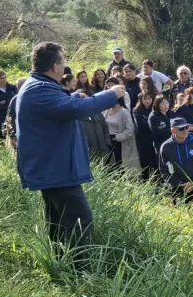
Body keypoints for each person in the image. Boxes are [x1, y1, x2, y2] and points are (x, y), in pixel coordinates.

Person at [15, 41, 125, 270]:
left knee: (57, 219)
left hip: (52, 167)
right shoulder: (39, 90)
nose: (65, 66)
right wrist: (111, 94)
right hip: (56, 169)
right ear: (55, 66)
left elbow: (63, 105)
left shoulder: (40, 85)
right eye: (63, 61)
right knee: (80, 218)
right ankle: (78, 272)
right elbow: (77, 110)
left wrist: (74, 96)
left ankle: (58, 263)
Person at [158, 117, 193, 200]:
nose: (185, 130)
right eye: (181, 128)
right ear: (173, 131)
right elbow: (164, 170)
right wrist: (180, 184)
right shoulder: (166, 147)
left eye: (186, 127)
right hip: (177, 190)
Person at [103, 80, 138, 170]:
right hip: (107, 141)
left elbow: (130, 130)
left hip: (119, 142)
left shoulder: (124, 112)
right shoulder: (106, 110)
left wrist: (117, 137)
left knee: (120, 166)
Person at [132, 92, 158, 180]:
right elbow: (141, 124)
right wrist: (152, 123)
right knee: (145, 161)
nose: (147, 101)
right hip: (143, 140)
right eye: (145, 99)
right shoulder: (137, 110)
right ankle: (146, 180)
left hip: (154, 138)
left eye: (149, 99)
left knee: (155, 160)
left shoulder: (155, 109)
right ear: (141, 100)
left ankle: (158, 180)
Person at [0, 71, 18, 144]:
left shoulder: (12, 88)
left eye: (5, 77)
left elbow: (17, 99)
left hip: (12, 116)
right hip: (0, 116)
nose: (4, 79)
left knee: (14, 137)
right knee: (1, 137)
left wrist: (5, 101)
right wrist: (10, 101)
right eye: (2, 78)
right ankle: (1, 153)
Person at [148, 95, 174, 160]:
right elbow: (157, 131)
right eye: (162, 103)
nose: (165, 105)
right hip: (160, 144)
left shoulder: (172, 113)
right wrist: (172, 131)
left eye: (167, 103)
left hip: (173, 143)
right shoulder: (153, 117)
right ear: (157, 104)